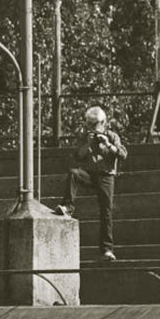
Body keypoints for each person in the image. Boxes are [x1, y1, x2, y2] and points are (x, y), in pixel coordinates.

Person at [58, 105, 127, 262]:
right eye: (88, 123)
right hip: (89, 173)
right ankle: (68, 206)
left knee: (106, 212)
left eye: (93, 124)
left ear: (103, 122)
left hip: (106, 176)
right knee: (74, 174)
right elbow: (78, 156)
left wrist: (108, 145)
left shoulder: (112, 136)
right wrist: (88, 144)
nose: (90, 127)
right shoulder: (85, 136)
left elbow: (123, 154)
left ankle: (107, 249)